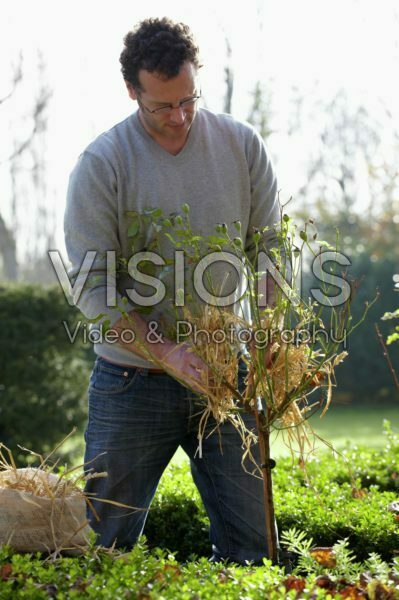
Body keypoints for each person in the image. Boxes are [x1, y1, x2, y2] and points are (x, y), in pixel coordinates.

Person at [64, 17, 281, 564]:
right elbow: (93, 287)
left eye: (188, 99)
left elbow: (271, 252)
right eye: (162, 106)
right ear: (132, 91)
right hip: (130, 381)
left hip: (224, 377)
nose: (180, 117)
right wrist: (166, 351)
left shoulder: (241, 145)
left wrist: (267, 331)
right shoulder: (103, 163)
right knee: (101, 546)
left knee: (255, 546)